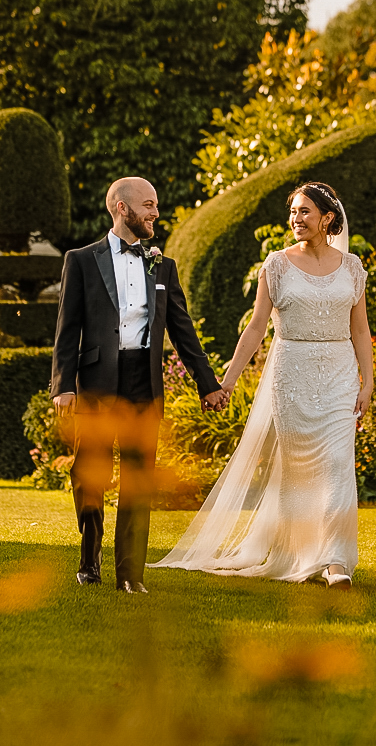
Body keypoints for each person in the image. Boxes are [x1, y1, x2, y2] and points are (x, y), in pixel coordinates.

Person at [150, 181, 374, 589]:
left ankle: (336, 560)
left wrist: (368, 380)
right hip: (292, 374)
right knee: (301, 470)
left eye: (304, 211)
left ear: (327, 219)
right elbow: (255, 329)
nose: (295, 219)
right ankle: (302, 553)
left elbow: (360, 330)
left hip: (340, 375)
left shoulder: (353, 268)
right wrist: (227, 382)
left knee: (338, 465)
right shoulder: (275, 265)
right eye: (292, 212)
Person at [50, 176, 228, 594]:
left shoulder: (162, 265)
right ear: (121, 208)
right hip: (96, 381)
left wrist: (209, 385)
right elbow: (67, 326)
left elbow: (183, 330)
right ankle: (89, 556)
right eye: (148, 205)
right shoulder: (81, 259)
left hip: (143, 382)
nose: (155, 213)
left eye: (156, 206)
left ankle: (131, 575)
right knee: (88, 475)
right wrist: (63, 384)